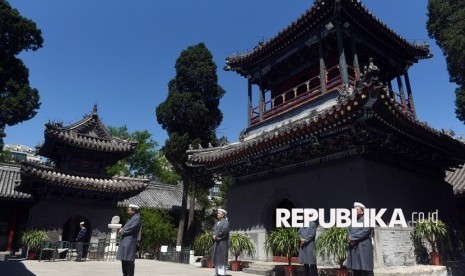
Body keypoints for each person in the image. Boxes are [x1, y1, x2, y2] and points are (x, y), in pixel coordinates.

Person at [347, 202, 374, 276]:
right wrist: (350, 238)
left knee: (366, 269)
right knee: (356, 268)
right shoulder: (354, 220)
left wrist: (352, 238)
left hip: (363, 247)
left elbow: (366, 231)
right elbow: (348, 229)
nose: (354, 211)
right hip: (354, 247)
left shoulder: (367, 219)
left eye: (357, 209)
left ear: (362, 211)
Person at [117, 204, 142, 276]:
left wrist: (122, 231)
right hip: (125, 241)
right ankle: (125, 274)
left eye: (129, 209)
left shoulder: (137, 219)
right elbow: (126, 227)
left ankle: (129, 274)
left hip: (130, 242)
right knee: (124, 259)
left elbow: (131, 229)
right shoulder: (131, 218)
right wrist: (122, 229)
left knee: (129, 260)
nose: (127, 211)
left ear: (134, 210)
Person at [211, 208, 230, 276]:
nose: (217, 214)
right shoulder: (217, 222)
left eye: (219, 213)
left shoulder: (226, 222)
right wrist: (213, 235)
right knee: (216, 257)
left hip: (222, 243)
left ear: (223, 215)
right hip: (216, 243)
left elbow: (224, 232)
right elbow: (213, 230)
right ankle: (217, 273)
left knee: (221, 257)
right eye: (217, 213)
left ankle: (222, 273)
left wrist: (216, 237)